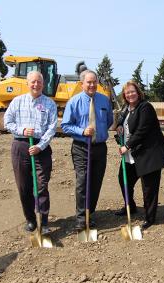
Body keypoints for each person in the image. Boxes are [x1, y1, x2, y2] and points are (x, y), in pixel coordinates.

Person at [4, 71, 58, 234]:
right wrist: (22, 130)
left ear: (43, 84)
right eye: (33, 82)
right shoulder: (17, 101)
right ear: (27, 83)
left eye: (39, 82)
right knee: (24, 186)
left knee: (42, 185)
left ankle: (44, 221)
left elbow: (52, 128)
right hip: (21, 146)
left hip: (41, 148)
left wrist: (40, 146)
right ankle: (30, 219)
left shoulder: (49, 104)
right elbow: (7, 121)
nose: (36, 85)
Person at [61, 70, 113, 231]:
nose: (92, 85)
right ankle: (81, 218)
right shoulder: (74, 102)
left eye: (94, 82)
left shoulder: (104, 101)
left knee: (96, 182)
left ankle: (90, 213)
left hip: (99, 148)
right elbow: (65, 126)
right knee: (83, 182)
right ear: (82, 84)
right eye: (88, 82)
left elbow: (109, 121)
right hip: (81, 148)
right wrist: (82, 131)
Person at [115, 81, 164, 229]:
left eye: (133, 91)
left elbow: (142, 130)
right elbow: (121, 120)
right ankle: (130, 206)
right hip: (132, 154)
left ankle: (150, 217)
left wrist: (127, 146)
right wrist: (119, 126)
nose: (130, 94)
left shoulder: (145, 107)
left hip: (148, 153)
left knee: (149, 187)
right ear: (124, 95)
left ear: (138, 93)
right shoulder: (127, 109)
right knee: (123, 180)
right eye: (127, 92)